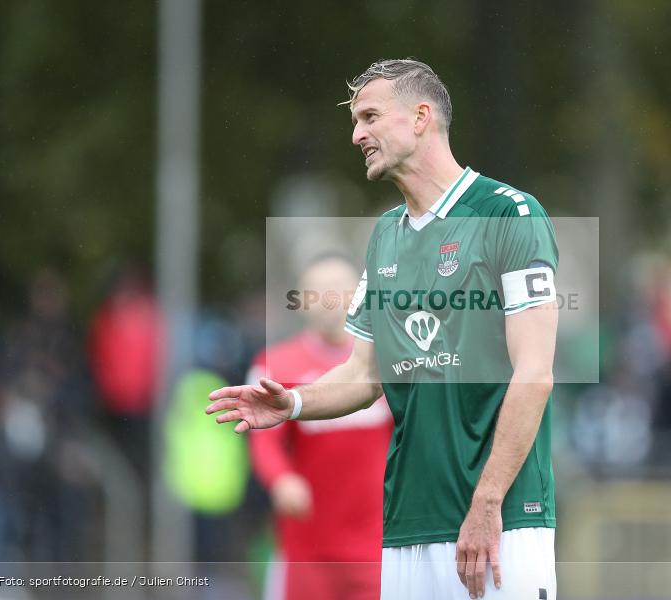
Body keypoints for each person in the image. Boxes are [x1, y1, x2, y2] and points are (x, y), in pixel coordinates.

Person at [208, 58, 559, 600]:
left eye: (369, 117)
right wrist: (293, 404)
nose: (357, 134)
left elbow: (534, 371)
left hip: (502, 520)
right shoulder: (385, 237)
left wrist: (488, 502)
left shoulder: (509, 214)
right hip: (406, 527)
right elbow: (365, 373)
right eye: (355, 121)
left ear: (420, 117)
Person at [248, 253, 391, 600]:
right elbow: (264, 441)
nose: (330, 302)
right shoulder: (274, 363)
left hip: (377, 544)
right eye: (317, 292)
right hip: (306, 548)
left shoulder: (387, 361)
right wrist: (281, 479)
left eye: (340, 290)